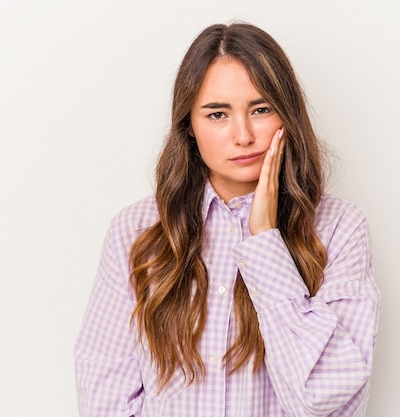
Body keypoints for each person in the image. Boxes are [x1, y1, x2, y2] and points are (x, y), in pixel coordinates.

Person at [74, 22, 380, 417]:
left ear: (288, 115)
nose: (243, 135)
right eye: (218, 114)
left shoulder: (338, 229)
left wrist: (265, 241)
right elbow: (104, 399)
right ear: (189, 127)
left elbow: (323, 399)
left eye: (261, 109)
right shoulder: (135, 231)